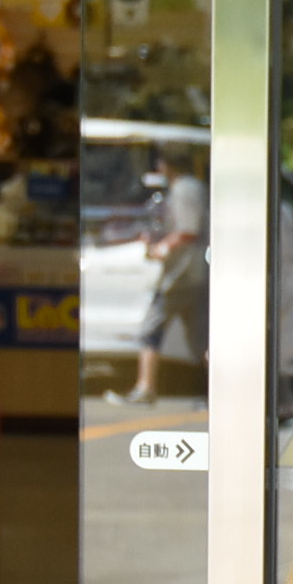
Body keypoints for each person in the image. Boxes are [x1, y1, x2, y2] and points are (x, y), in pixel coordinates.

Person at [120, 145, 209, 404]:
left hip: (179, 276)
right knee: (200, 338)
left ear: (166, 164)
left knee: (151, 330)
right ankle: (211, 392)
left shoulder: (184, 190)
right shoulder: (192, 187)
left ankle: (145, 387)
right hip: (192, 274)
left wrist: (162, 247)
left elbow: (187, 231)